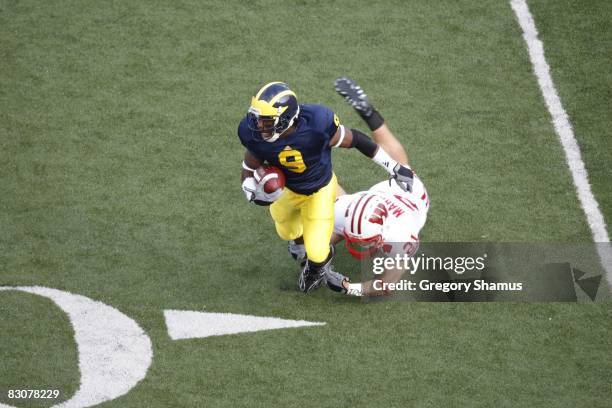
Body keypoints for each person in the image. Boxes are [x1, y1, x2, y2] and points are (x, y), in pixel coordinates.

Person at [238, 81, 415, 293]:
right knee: (287, 230)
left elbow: (355, 139)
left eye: (266, 121)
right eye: (258, 119)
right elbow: (249, 164)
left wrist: (346, 286)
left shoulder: (317, 124)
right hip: (290, 189)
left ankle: (316, 267)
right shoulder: (349, 212)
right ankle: (303, 244)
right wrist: (249, 188)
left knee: (317, 251)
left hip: (318, 191)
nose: (258, 126)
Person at [324, 77, 430, 297]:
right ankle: (369, 114)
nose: (360, 245)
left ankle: (370, 115)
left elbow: (386, 285)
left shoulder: (403, 238)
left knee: (404, 170)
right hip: (375, 198)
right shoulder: (347, 209)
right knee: (313, 247)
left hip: (412, 198)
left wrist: (348, 288)